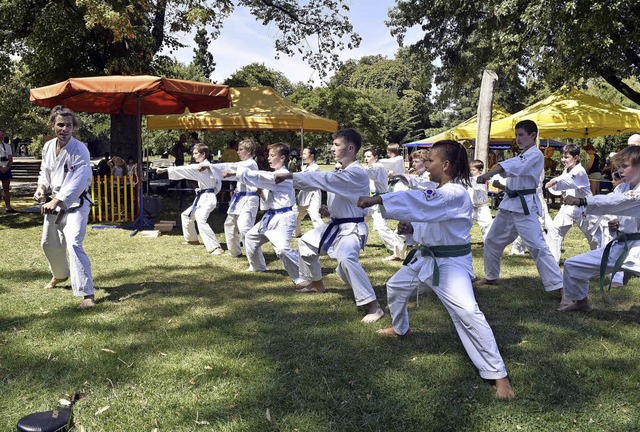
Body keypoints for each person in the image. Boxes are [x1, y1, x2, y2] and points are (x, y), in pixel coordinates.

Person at [357, 140, 514, 399]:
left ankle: (499, 375)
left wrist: (378, 198)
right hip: (425, 257)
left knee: (467, 312)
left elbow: (422, 201)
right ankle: (400, 328)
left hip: (450, 263)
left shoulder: (455, 193)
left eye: (430, 160)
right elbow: (431, 220)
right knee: (395, 286)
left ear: (446, 165)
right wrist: (412, 230)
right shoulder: (441, 189)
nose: (426, 165)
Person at [275, 128, 385, 324]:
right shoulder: (342, 170)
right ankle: (317, 283)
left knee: (345, 259)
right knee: (306, 244)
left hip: (352, 228)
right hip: (336, 224)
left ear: (350, 148)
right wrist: (330, 210)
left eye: (336, 145)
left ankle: (374, 306)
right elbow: (339, 192)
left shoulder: (356, 172)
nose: (332, 148)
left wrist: (289, 176)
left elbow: (324, 180)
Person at [475, 120, 563, 293]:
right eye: (516, 135)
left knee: (537, 246)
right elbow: (510, 169)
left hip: (525, 207)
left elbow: (514, 166)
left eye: (521, 135)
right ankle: (491, 276)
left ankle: (560, 286)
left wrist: (487, 174)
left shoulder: (535, 154)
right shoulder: (521, 156)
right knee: (492, 240)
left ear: (533, 136)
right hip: (510, 204)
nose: (518, 138)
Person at [559, 145, 640, 312]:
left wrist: (583, 201)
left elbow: (618, 203)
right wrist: (616, 223)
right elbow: (614, 202)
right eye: (619, 166)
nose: (620, 170)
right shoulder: (623, 187)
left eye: (625, 166)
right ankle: (581, 302)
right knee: (573, 265)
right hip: (621, 246)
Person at [34, 106, 95, 309]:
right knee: (48, 242)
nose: (64, 129)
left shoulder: (80, 150)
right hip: (54, 203)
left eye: (69, 125)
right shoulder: (48, 147)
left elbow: (78, 181)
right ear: (53, 126)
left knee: (74, 243)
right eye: (60, 124)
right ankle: (60, 275)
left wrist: (57, 200)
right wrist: (42, 189)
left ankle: (88, 294)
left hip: (76, 204)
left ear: (73, 127)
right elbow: (45, 171)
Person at [227, 142, 304, 286]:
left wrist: (235, 173)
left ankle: (302, 276)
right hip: (270, 216)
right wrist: (261, 193)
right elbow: (268, 193)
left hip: (284, 217)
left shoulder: (283, 175)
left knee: (282, 249)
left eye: (272, 155)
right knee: (250, 237)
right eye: (268, 155)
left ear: (282, 158)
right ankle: (257, 266)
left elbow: (262, 177)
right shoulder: (275, 174)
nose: (269, 158)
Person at [157, 144, 224, 255]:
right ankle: (192, 239)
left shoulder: (204, 166)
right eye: (193, 153)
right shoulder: (205, 166)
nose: (193, 155)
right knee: (186, 216)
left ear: (203, 154)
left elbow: (186, 169)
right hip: (203, 196)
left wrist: (166, 170)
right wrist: (203, 189)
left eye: (196, 153)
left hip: (207, 198)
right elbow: (218, 184)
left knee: (201, 219)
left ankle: (215, 247)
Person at [202, 139, 260, 257]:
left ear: (249, 151)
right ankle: (234, 252)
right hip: (240, 198)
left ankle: (253, 256)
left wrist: (210, 167)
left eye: (241, 150)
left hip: (249, 200)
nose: (238, 152)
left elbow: (233, 167)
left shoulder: (250, 163)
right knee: (230, 224)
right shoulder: (244, 163)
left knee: (244, 228)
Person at [544, 144, 600, 262]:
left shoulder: (579, 171)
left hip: (584, 207)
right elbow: (563, 185)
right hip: (569, 208)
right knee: (555, 230)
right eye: (562, 157)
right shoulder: (566, 170)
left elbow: (568, 181)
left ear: (576, 158)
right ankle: (553, 261)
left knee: (594, 237)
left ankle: (602, 260)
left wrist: (553, 181)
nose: (563, 160)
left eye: (566, 157)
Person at [363, 147, 407, 261]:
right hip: (371, 201)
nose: (366, 159)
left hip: (380, 200)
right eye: (365, 157)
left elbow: (367, 172)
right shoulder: (373, 167)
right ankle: (353, 244)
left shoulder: (377, 167)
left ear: (376, 157)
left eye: (368, 156)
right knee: (358, 220)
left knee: (382, 227)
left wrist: (351, 167)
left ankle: (398, 250)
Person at [295, 147, 324, 237]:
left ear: (311, 156)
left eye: (304, 154)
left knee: (314, 214)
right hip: (304, 193)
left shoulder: (315, 167)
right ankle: (296, 233)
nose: (302, 156)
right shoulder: (305, 166)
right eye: (302, 154)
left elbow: (306, 178)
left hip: (313, 194)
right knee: (297, 215)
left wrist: (302, 173)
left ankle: (323, 234)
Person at [468, 159, 493, 242]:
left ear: (481, 170)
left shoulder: (482, 179)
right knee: (463, 224)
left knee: (487, 225)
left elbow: (475, 186)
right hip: (470, 206)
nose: (471, 171)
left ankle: (488, 242)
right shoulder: (468, 178)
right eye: (470, 170)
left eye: (474, 170)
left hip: (482, 206)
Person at [0, 129, 16, 213]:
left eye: (2, 135)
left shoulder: (7, 146)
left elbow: (10, 159)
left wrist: (6, 168)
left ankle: (8, 207)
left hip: (6, 169)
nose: (1, 136)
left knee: (6, 188)